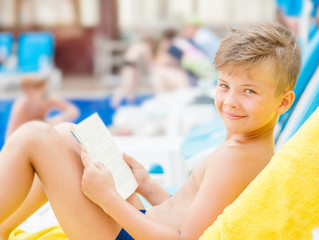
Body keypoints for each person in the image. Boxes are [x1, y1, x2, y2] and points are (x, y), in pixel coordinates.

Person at [0, 22, 301, 240]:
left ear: (283, 102)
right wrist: (146, 186)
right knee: (66, 134)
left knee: (34, 137)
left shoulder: (238, 158)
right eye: (224, 86)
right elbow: (189, 213)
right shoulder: (245, 146)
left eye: (249, 91)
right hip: (143, 223)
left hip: (131, 235)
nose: (231, 101)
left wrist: (108, 198)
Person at [5, 74, 80, 139]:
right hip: (25, 135)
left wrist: (58, 119)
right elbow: (11, 133)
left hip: (41, 131)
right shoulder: (22, 105)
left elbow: (73, 111)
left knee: (64, 130)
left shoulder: (48, 99)